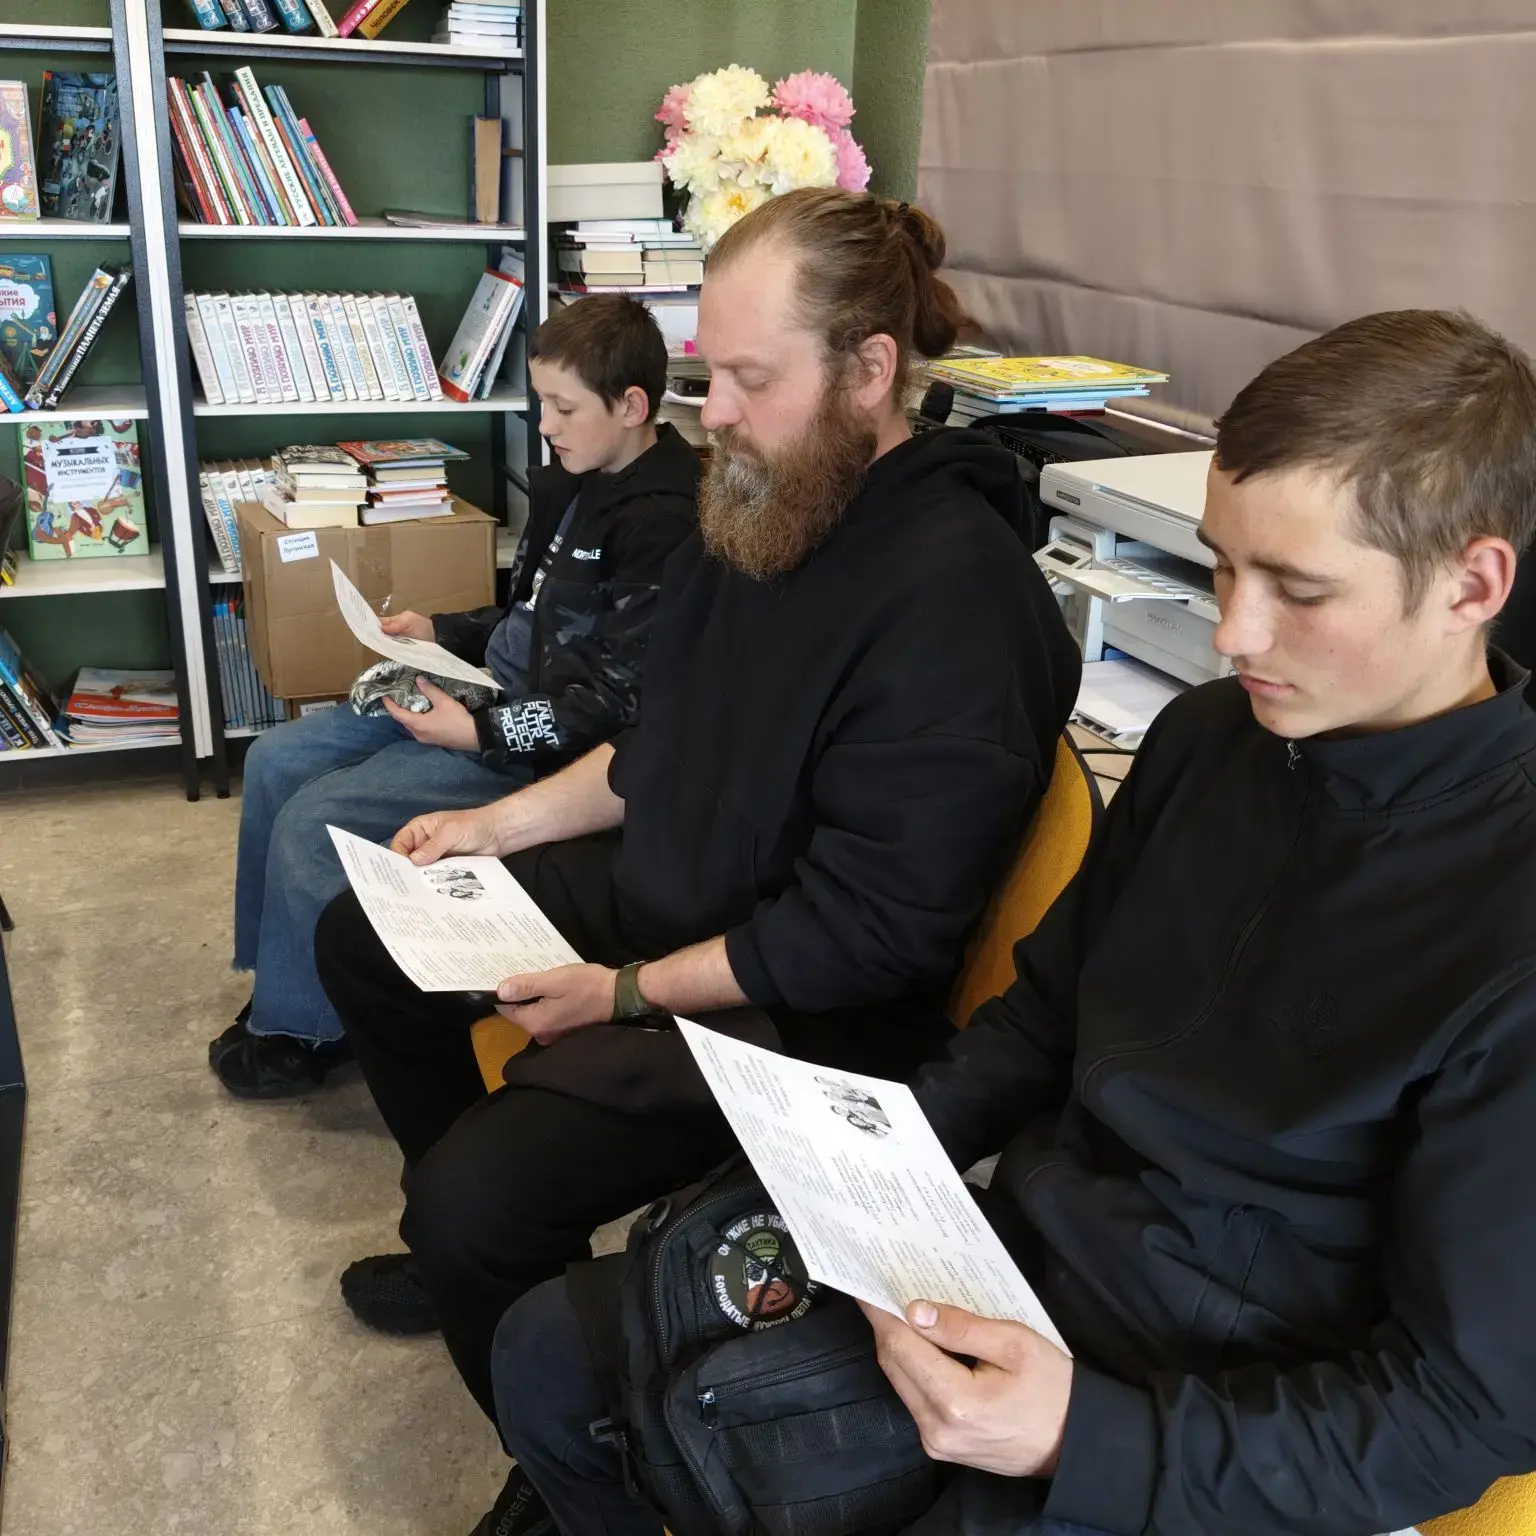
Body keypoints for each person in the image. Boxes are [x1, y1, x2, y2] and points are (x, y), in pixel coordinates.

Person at [489, 307, 1536, 1536]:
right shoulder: (1212, 739)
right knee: (552, 1353)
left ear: (1473, 583)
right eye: (1221, 566)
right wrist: (882, 1162)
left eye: (1298, 589)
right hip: (1018, 1261)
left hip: (1205, 1410)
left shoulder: (1505, 919)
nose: (1233, 632)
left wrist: (1082, 1439)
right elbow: (1044, 1016)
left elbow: (1461, 1411)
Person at [312, 188, 1081, 1529]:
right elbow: (657, 744)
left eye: (747, 378)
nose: (710, 411)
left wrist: (619, 994)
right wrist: (493, 827)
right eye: (704, 372)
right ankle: (488, 1277)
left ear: (871, 370)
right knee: (365, 934)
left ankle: (566, 1459)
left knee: (472, 1206)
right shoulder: (767, 503)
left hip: (801, 1005)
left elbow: (867, 933)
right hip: (673, 891)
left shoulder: (959, 603)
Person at [210, 295, 699, 1098]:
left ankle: (309, 1032)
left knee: (314, 822)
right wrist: (439, 629)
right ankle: (288, 981)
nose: (545, 423)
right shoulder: (575, 477)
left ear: (633, 406)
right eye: (541, 402)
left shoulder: (664, 524)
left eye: (564, 407)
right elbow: (530, 614)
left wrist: (476, 734)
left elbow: (616, 707)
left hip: (530, 743)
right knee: (274, 760)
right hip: (478, 689)